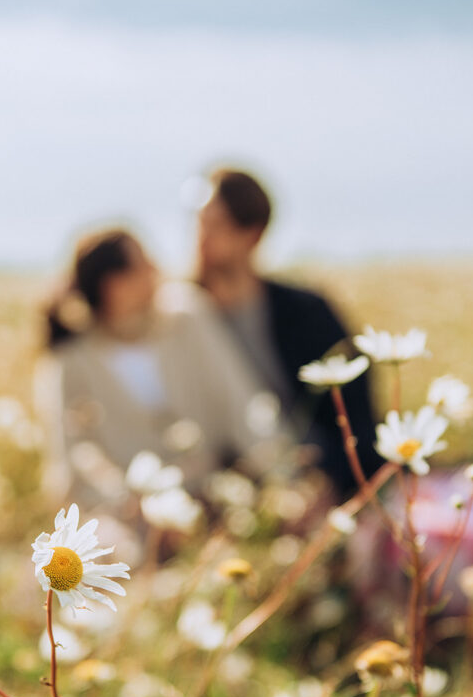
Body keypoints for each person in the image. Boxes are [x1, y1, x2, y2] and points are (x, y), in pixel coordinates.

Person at [34, 228, 291, 504]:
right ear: (114, 286)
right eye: (143, 263)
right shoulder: (71, 360)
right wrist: (131, 507)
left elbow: (240, 402)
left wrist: (285, 476)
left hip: (218, 497)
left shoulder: (188, 318)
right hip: (127, 517)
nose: (156, 268)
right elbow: (74, 454)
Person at [194, 168, 381, 497]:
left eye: (216, 224)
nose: (201, 236)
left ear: (252, 234)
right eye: (199, 221)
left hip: (316, 478)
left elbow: (357, 413)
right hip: (226, 488)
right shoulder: (180, 316)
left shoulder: (308, 311)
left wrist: (328, 481)